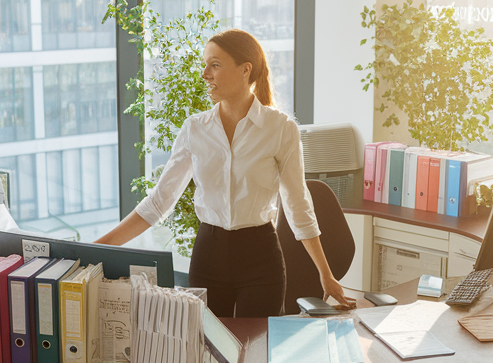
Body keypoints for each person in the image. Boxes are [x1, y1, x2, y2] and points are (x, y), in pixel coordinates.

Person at [96, 29, 353, 318]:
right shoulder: (195, 129)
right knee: (206, 351)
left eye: (215, 64)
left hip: (261, 258)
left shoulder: (280, 128)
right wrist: (97, 249)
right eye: (205, 64)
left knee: (256, 351)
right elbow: (158, 202)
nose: (205, 73)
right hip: (209, 256)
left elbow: (297, 205)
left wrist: (326, 275)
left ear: (246, 70)